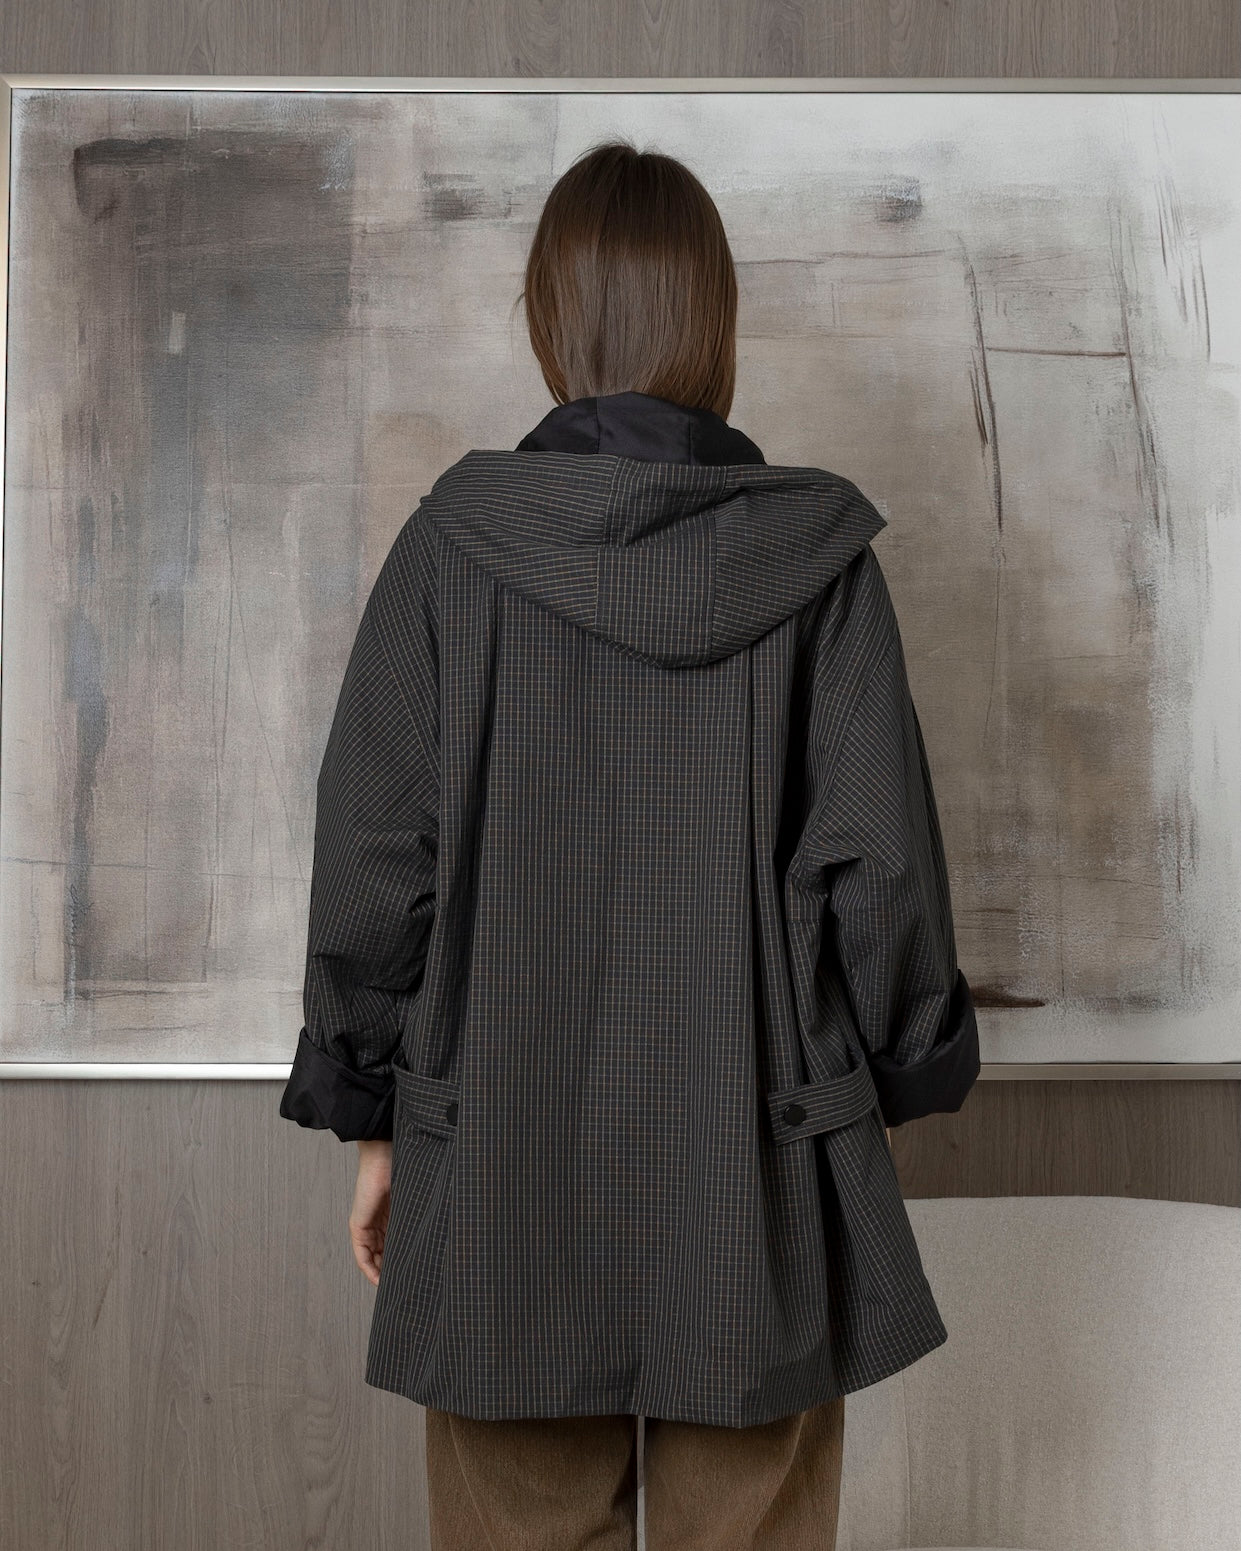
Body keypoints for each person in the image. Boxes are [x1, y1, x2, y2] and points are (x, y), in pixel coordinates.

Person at [279, 138, 980, 1550]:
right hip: (754, 1166)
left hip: (499, 1165)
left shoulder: (449, 554)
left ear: (551, 320)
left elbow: (374, 867)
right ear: (715, 324)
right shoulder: (820, 567)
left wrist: (371, 1120)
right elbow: (883, 870)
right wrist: (894, 1088)